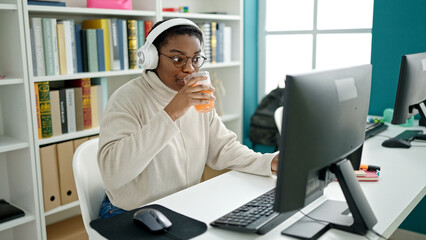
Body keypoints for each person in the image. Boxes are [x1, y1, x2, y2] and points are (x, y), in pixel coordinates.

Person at [97, 18, 279, 219]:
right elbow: (113, 174)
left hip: (182, 205)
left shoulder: (197, 95)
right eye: (178, 59)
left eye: (195, 59)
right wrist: (172, 112)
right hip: (131, 213)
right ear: (152, 58)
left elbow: (224, 148)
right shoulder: (127, 98)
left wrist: (269, 162)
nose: (190, 69)